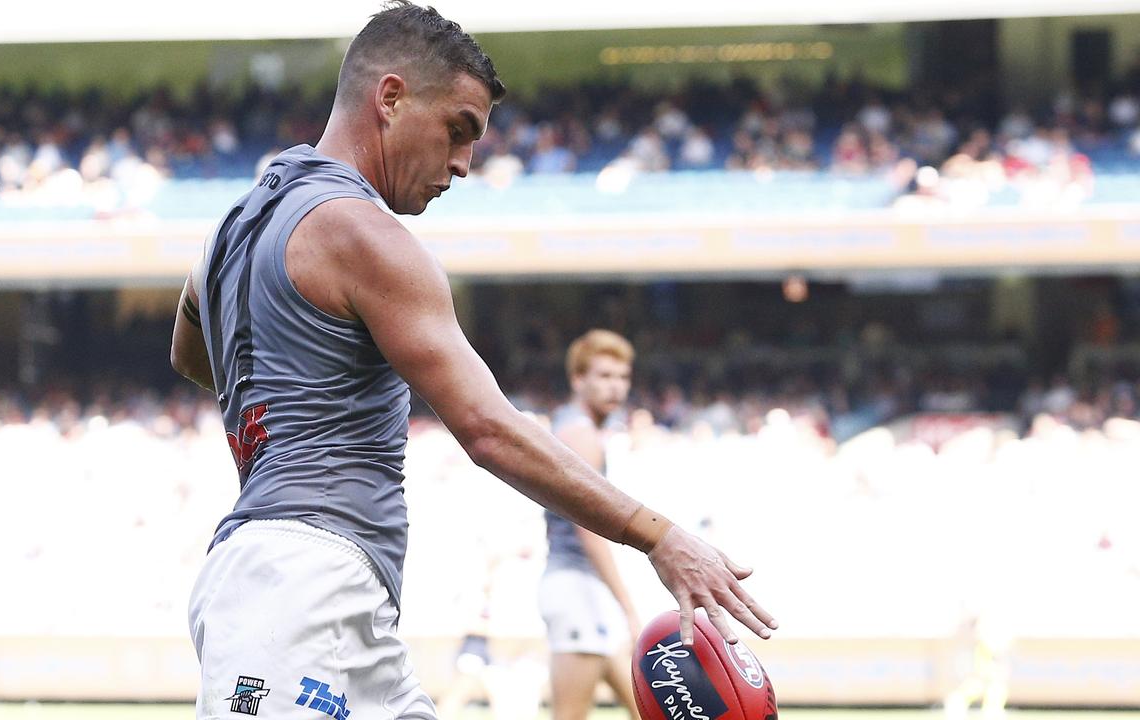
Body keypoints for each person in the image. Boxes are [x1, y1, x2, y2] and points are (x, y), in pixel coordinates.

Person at [170, 3, 776, 718]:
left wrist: (307, 377)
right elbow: (487, 430)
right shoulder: (364, 233)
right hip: (303, 584)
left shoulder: (233, 225)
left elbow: (191, 355)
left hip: (294, 578)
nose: (462, 163)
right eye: (458, 130)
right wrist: (659, 536)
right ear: (390, 98)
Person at [541, 330, 641, 720]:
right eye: (603, 376)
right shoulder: (580, 435)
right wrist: (628, 606)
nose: (615, 386)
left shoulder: (582, 430)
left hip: (586, 591)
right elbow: (589, 531)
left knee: (649, 707)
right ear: (578, 380)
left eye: (622, 376)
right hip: (576, 585)